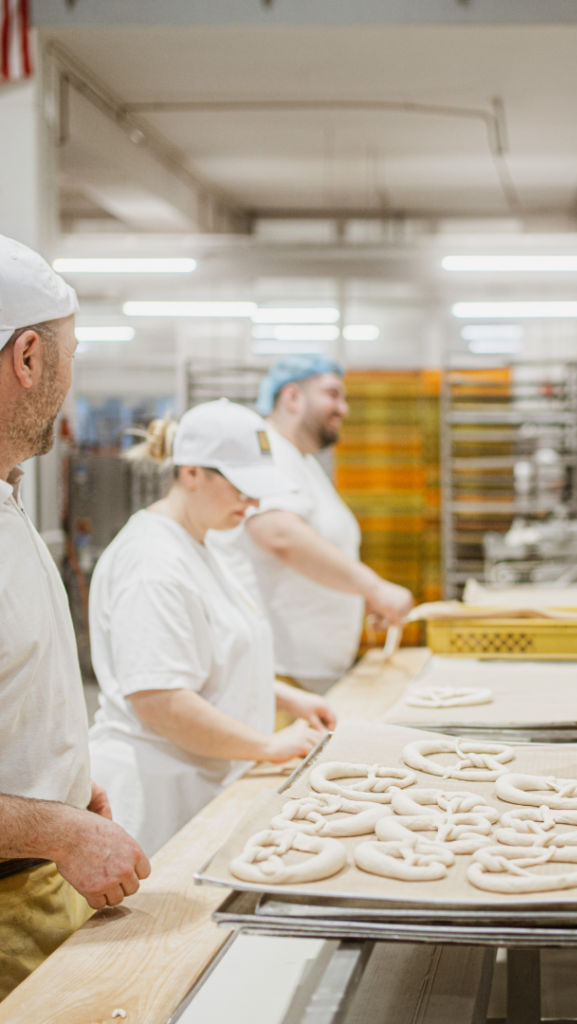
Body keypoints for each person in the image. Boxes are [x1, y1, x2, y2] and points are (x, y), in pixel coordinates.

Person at [0, 235, 149, 1001]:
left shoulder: (10, 498)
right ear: (28, 357)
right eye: (69, 354)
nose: (69, 379)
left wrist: (59, 778)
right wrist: (53, 828)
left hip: (37, 883)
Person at [88, 400, 336, 857]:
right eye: (242, 488)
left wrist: (284, 696)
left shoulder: (202, 544)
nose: (254, 503)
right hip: (158, 798)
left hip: (203, 779)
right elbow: (160, 700)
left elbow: (211, 657)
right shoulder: (152, 564)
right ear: (191, 473)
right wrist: (269, 744)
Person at [209, 356, 414, 695]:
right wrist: (373, 588)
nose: (343, 408)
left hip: (307, 671)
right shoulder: (269, 452)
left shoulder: (300, 460)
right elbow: (279, 534)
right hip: (279, 674)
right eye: (333, 394)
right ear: (292, 397)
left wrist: (359, 594)